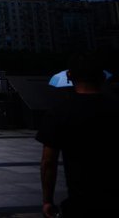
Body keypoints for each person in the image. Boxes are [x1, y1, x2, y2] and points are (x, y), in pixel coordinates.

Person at [35, 52, 119, 217]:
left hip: (80, 202)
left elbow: (48, 162)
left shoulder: (59, 112)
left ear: (69, 76)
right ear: (103, 76)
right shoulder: (115, 107)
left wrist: (47, 201)